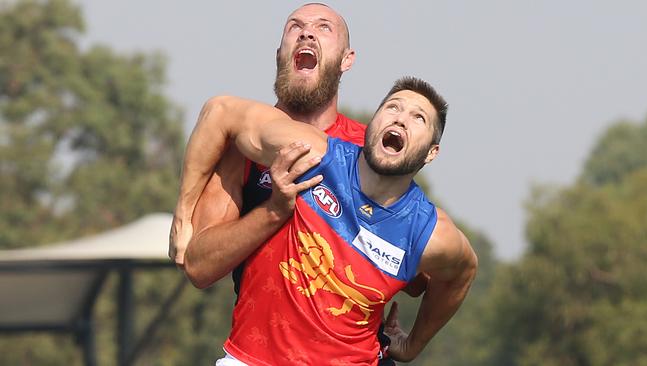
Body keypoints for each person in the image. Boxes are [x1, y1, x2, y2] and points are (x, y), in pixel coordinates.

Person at [174, 76, 478, 365]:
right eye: (393, 107)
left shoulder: (430, 232)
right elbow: (221, 111)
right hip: (250, 359)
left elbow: (462, 273)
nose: (400, 118)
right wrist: (183, 218)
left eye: (418, 118)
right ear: (373, 124)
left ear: (431, 152)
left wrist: (412, 346)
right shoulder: (314, 153)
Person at [169, 3, 395, 363]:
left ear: (347, 59)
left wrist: (405, 329)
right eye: (295, 27)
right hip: (256, 356)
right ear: (280, 53)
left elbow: (417, 266)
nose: (306, 32)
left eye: (324, 28)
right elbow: (199, 266)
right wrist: (273, 211)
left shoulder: (368, 149)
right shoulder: (241, 146)